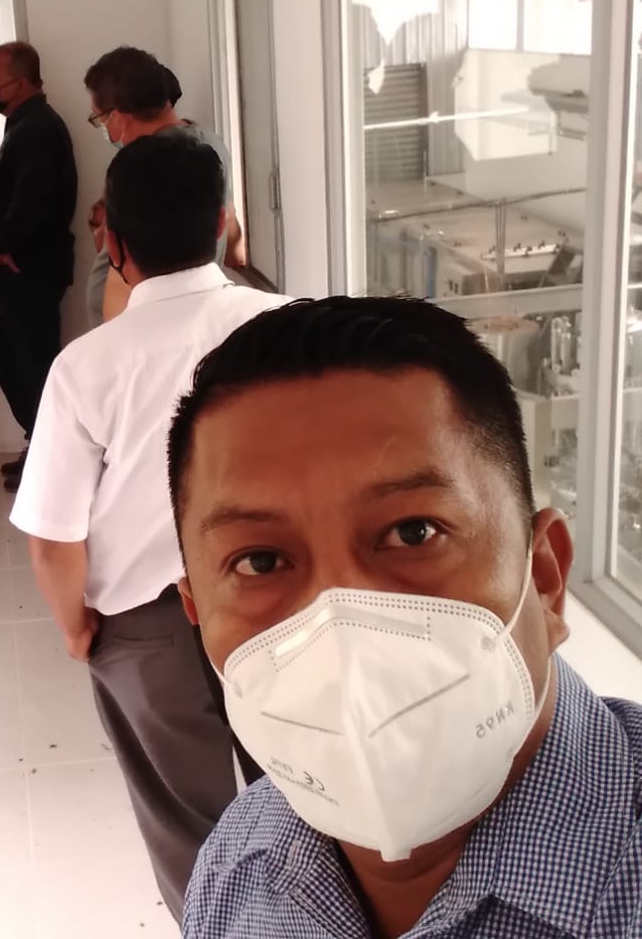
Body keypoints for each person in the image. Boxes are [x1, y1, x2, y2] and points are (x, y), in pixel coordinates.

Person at [167, 297, 642, 938]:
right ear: (198, 614)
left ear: (543, 577)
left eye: (413, 532)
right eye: (260, 562)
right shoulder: (233, 870)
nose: (342, 631)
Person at [9, 132, 283, 921]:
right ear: (222, 223)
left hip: (143, 628)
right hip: (278, 603)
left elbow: (53, 539)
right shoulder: (290, 328)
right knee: (308, 790)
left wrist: (76, 629)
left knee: (185, 821)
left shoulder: (87, 367)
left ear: (115, 244)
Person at [0, 41, 77, 493]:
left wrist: (0, 247)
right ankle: (42, 443)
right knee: (11, 357)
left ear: (24, 82)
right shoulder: (23, 125)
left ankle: (56, 459)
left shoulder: (38, 128)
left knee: (32, 363)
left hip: (31, 268)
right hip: (21, 270)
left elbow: (33, 199)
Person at [84, 47, 247, 327]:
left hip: (137, 328)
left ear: (117, 117)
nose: (104, 129)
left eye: (99, 119)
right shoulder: (203, 144)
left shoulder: (158, 166)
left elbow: (145, 264)